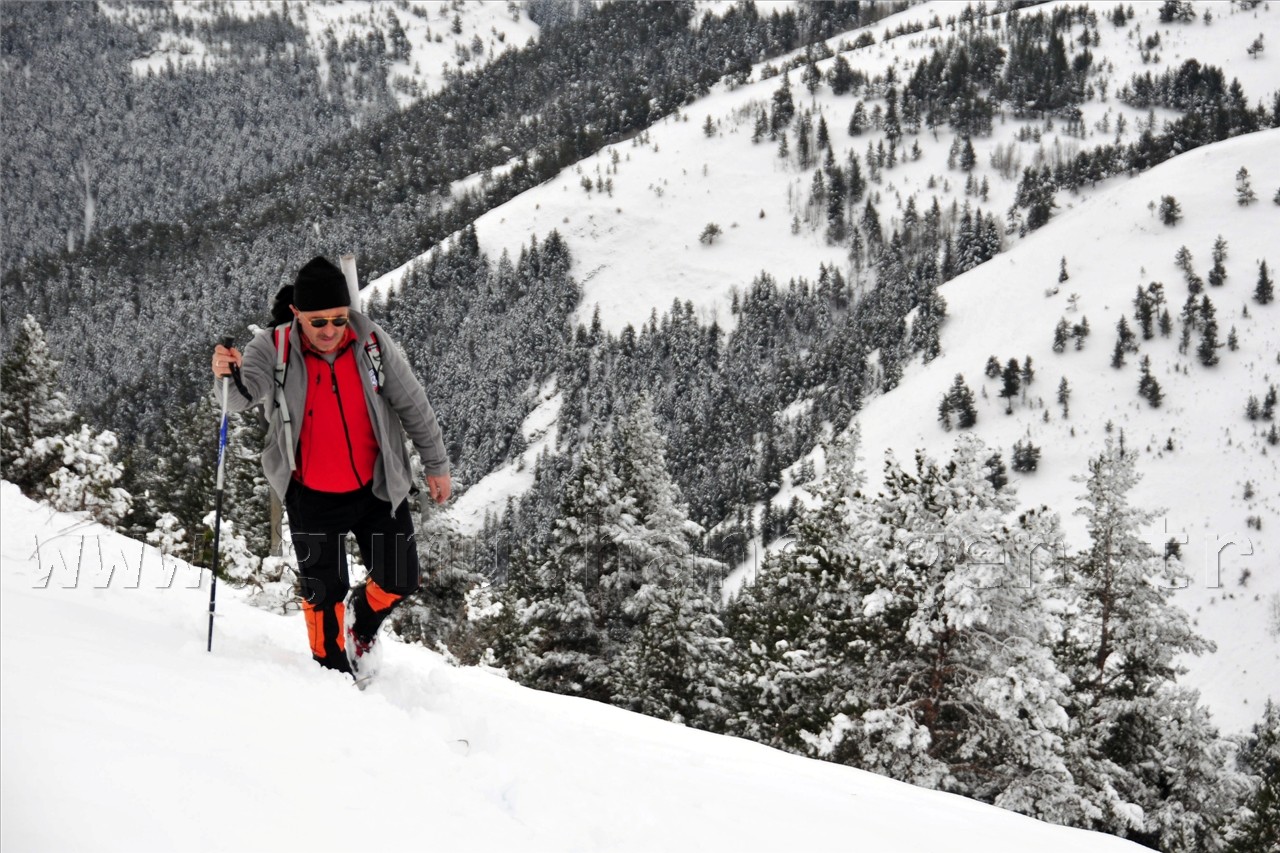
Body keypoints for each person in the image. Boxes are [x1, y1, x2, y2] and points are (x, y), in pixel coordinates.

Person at [211, 255, 451, 676]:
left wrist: (437, 464)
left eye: (339, 320)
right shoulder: (273, 347)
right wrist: (225, 375)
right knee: (324, 595)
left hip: (376, 489)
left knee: (401, 579)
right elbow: (239, 400)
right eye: (318, 321)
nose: (329, 331)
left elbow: (412, 402)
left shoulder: (369, 341)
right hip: (311, 494)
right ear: (296, 313)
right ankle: (331, 676)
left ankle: (363, 615)